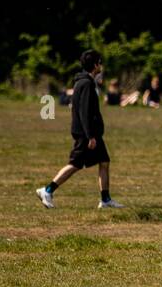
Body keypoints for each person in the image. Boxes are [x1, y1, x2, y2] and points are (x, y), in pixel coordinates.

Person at [36, 49, 123, 209]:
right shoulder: (86, 83)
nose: (101, 65)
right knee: (75, 164)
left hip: (91, 132)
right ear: (95, 65)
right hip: (86, 133)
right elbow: (84, 112)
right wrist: (90, 136)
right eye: (100, 62)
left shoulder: (85, 81)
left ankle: (105, 199)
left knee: (104, 161)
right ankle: (47, 190)